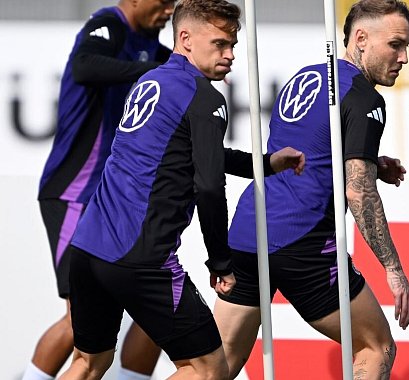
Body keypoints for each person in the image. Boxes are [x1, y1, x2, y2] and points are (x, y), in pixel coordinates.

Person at [59, 0, 304, 378]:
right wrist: (220, 262)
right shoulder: (205, 97)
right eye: (220, 44)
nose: (231, 55)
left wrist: (266, 163)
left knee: (89, 363)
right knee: (208, 369)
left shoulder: (150, 81)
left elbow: (187, 154)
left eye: (233, 45)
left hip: (88, 249)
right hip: (142, 259)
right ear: (185, 38)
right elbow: (208, 186)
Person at [213, 0, 409, 378]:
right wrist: (394, 269)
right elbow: (359, 194)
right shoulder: (364, 99)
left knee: (218, 362)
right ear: (360, 39)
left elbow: (312, 145)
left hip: (247, 231)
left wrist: (371, 160)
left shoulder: (304, 77)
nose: (403, 57)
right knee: (376, 346)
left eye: (407, 47)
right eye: (395, 45)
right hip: (302, 243)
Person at [30, 1, 178, 379]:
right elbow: (85, 66)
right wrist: (153, 72)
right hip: (76, 192)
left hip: (115, 202)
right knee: (79, 316)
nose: (168, 10)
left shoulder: (152, 47)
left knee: (156, 303)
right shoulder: (107, 25)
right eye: (161, 2)